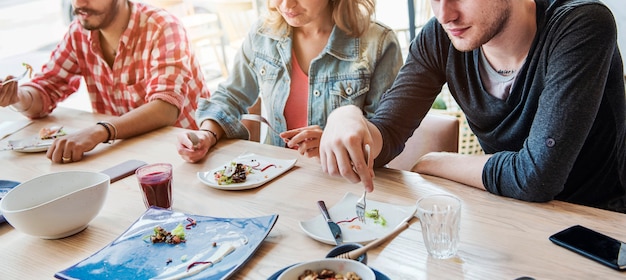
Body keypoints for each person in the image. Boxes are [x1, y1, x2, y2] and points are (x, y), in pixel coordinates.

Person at [319, 0, 626, 213]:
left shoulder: (582, 25)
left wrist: (434, 161)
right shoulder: (440, 37)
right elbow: (387, 134)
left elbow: (537, 177)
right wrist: (348, 117)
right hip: (505, 210)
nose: (445, 14)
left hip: (596, 226)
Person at [176, 0, 403, 163]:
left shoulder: (378, 44)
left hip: (342, 184)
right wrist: (207, 133)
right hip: (272, 176)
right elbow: (231, 96)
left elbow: (384, 133)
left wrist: (333, 142)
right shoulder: (263, 34)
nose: (285, 5)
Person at [0, 0, 210, 164]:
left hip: (188, 155)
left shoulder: (163, 27)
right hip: (129, 155)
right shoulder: (78, 32)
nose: (80, 3)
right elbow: (45, 90)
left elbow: (166, 108)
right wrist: (16, 96)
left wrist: (99, 131)